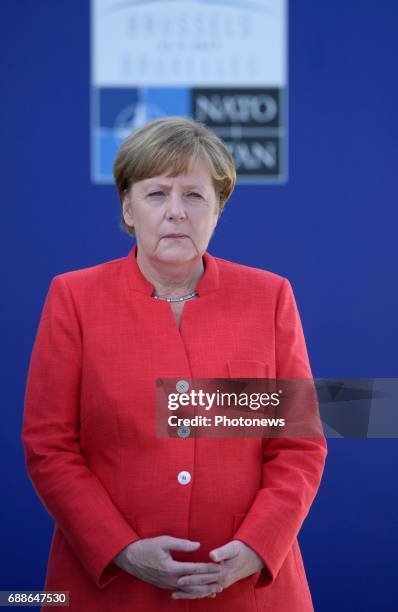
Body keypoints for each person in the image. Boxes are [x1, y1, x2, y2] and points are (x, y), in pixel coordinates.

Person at [22, 116, 327, 611]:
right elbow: (49, 447)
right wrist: (120, 548)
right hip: (112, 590)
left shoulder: (268, 297)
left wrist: (257, 546)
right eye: (157, 194)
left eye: (194, 196)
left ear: (218, 209)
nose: (176, 213)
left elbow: (299, 445)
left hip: (247, 591)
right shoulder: (74, 299)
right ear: (127, 207)